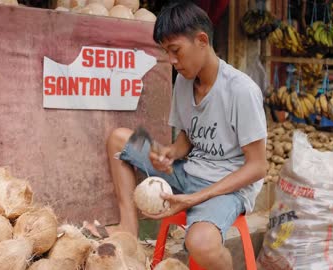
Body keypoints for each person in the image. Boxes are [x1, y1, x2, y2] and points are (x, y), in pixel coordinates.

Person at [105, 1, 268, 269]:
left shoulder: (241, 91)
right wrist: (170, 153)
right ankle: (128, 229)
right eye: (166, 52)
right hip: (188, 172)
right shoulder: (183, 80)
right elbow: (187, 139)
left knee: (201, 245)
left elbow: (258, 167)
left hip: (225, 189)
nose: (171, 60)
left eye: (176, 51)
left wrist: (193, 199)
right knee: (120, 139)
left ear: (202, 40)